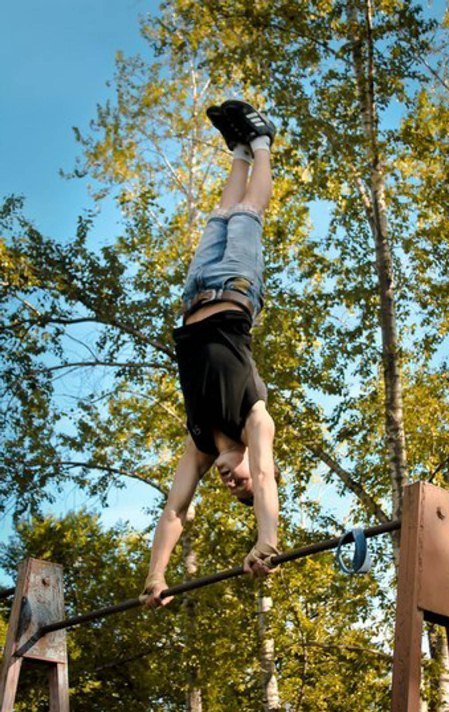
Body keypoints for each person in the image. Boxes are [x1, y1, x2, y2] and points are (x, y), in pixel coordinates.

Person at [142, 100, 280, 608]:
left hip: (195, 294)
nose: (232, 481)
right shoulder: (254, 421)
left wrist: (156, 576)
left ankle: (239, 151)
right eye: (240, 482)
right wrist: (267, 539)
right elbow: (266, 477)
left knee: (221, 212)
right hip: (236, 290)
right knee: (248, 213)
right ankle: (263, 140)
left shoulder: (199, 441)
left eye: (231, 490)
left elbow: (176, 508)